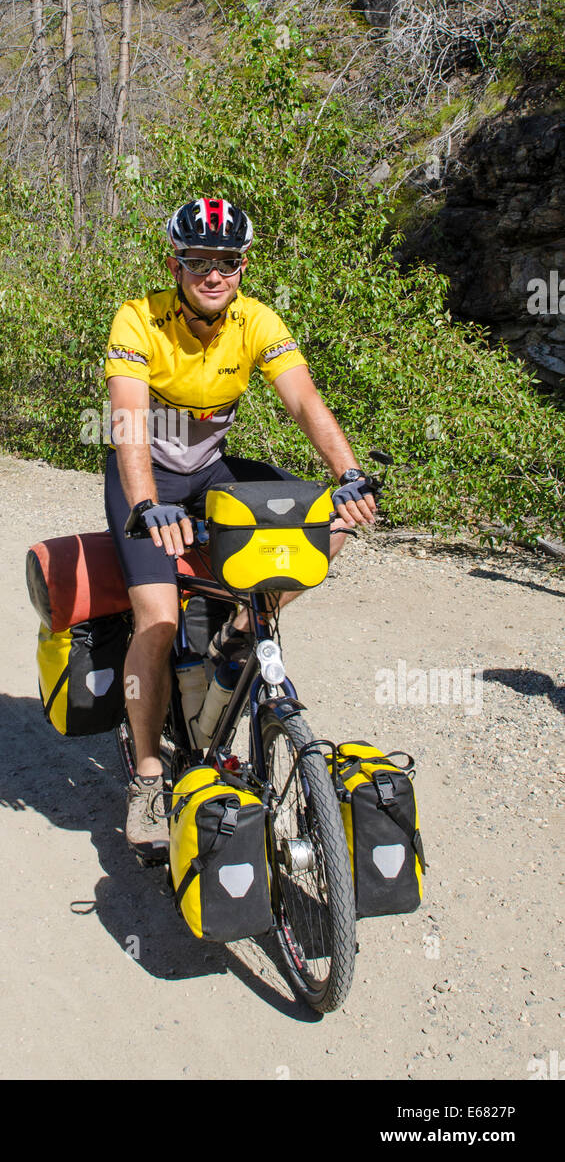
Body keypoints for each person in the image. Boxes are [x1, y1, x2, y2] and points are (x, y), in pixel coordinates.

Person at [104, 197, 378, 861]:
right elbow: (129, 424)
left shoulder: (255, 319)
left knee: (323, 528)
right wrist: (145, 505)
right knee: (157, 621)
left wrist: (348, 474)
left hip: (211, 472)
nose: (213, 274)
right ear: (176, 262)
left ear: (242, 265)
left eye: (226, 262)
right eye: (198, 261)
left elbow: (303, 399)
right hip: (148, 482)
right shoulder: (139, 317)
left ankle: (236, 634)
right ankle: (146, 775)